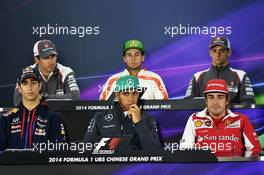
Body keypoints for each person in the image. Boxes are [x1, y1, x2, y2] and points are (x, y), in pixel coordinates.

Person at [181, 79, 261, 156]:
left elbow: (255, 149)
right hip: (205, 168)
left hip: (233, 167)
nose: (215, 102)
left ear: (227, 100)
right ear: (206, 101)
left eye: (220, 97)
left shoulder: (241, 119)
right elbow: (185, 149)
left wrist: (241, 167)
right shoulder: (194, 118)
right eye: (211, 97)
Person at [84, 75, 162, 150]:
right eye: (126, 93)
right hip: (108, 162)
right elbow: (86, 147)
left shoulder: (148, 118)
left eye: (135, 93)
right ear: (117, 95)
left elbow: (156, 152)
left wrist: (139, 123)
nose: (131, 99)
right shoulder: (100, 117)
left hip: (136, 163)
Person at [0, 67, 66, 151]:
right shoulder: (7, 119)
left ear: (39, 85)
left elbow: (60, 151)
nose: (29, 87)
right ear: (19, 88)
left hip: (42, 164)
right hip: (14, 164)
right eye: (25, 83)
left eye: (33, 82)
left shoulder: (53, 117)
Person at [185, 36, 255, 105]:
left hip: (231, 116)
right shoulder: (198, 77)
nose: (218, 54)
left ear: (229, 52)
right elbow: (188, 104)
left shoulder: (241, 75)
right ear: (210, 53)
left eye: (221, 50)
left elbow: (248, 103)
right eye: (214, 51)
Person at [13, 39, 80, 106]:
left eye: (53, 56)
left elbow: (75, 97)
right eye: (46, 57)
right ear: (37, 60)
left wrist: (44, 98)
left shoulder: (66, 72)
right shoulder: (27, 73)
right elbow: (18, 101)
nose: (51, 61)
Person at [100, 39, 168, 101]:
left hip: (147, 115)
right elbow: (102, 106)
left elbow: (164, 105)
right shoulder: (113, 80)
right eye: (129, 55)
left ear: (143, 58)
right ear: (124, 58)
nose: (133, 59)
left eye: (137, 55)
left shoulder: (154, 78)